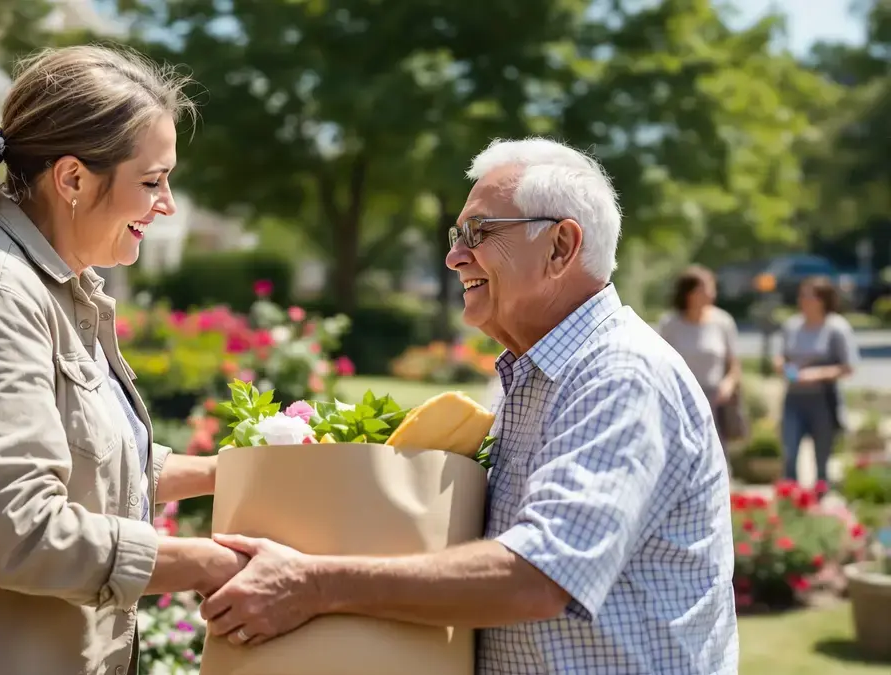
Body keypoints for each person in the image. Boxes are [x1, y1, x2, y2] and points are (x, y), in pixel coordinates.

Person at [201, 138, 739, 674]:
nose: (454, 255)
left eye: (477, 233)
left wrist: (312, 583)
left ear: (560, 247)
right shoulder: (535, 373)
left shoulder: (620, 375)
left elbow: (537, 578)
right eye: (457, 235)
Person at [0, 45, 247, 675]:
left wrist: (242, 472)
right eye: (151, 182)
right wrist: (218, 564)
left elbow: (91, 463)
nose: (168, 204)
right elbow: (24, 533)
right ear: (72, 179)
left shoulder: (50, 286)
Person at [775, 276, 859, 487]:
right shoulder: (792, 326)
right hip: (794, 399)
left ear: (822, 299)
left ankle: (820, 498)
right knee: (790, 451)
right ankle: (791, 496)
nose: (803, 299)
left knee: (821, 457)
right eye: (801, 294)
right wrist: (783, 368)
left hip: (823, 401)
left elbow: (848, 366)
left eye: (808, 295)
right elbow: (781, 356)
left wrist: (815, 374)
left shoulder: (836, 328)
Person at [657, 266, 744, 445]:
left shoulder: (723, 321)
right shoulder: (670, 324)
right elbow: (659, 363)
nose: (713, 293)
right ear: (690, 293)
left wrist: (728, 385)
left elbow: (734, 364)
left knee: (717, 451)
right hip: (680, 397)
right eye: (707, 287)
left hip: (715, 398)